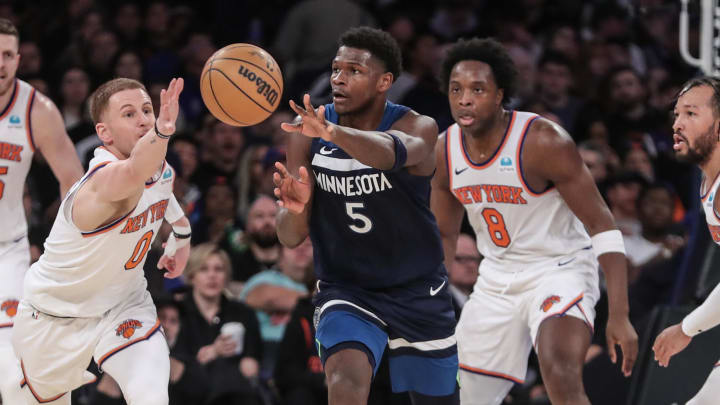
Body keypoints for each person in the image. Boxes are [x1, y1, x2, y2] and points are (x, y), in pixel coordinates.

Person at [431, 38, 638, 405]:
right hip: (495, 278)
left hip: (559, 268)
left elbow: (602, 225)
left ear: (499, 95)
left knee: (558, 368)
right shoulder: (445, 150)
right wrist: (433, 301)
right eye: (456, 89)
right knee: (464, 395)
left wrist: (619, 315)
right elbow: (445, 233)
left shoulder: (542, 141)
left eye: (478, 89)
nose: (464, 99)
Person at [273, 26, 459, 405]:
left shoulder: (417, 126)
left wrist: (333, 132)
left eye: (354, 71)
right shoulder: (308, 131)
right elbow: (290, 236)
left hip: (417, 288)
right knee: (344, 380)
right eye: (336, 69)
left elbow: (389, 154)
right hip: (347, 287)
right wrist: (295, 211)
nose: (338, 78)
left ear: (384, 81)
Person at [11, 76, 189, 405]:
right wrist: (162, 131)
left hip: (124, 304)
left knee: (151, 396)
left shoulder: (160, 167)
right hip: (55, 316)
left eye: (147, 110)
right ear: (104, 133)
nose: (143, 120)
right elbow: (135, 174)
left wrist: (182, 231)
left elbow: (160, 185)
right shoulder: (101, 183)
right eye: (129, 114)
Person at [0, 18, 83, 405]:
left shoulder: (36, 109)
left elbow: (74, 182)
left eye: (6, 55)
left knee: (17, 370)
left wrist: (65, 247)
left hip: (7, 251)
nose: (0, 63)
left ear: (18, 59)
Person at [653, 76, 720, 404]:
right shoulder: (708, 184)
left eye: (691, 114)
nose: (677, 124)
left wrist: (686, 328)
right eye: (676, 114)